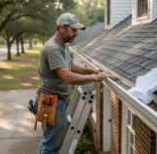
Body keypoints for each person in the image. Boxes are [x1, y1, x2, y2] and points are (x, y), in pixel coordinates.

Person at [37, 13, 113, 154]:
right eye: (74, 30)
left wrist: (93, 71)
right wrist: (96, 79)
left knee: (49, 142)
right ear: (62, 28)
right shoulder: (53, 48)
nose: (76, 34)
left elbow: (70, 66)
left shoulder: (62, 45)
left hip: (54, 100)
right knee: (51, 146)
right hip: (51, 101)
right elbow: (67, 77)